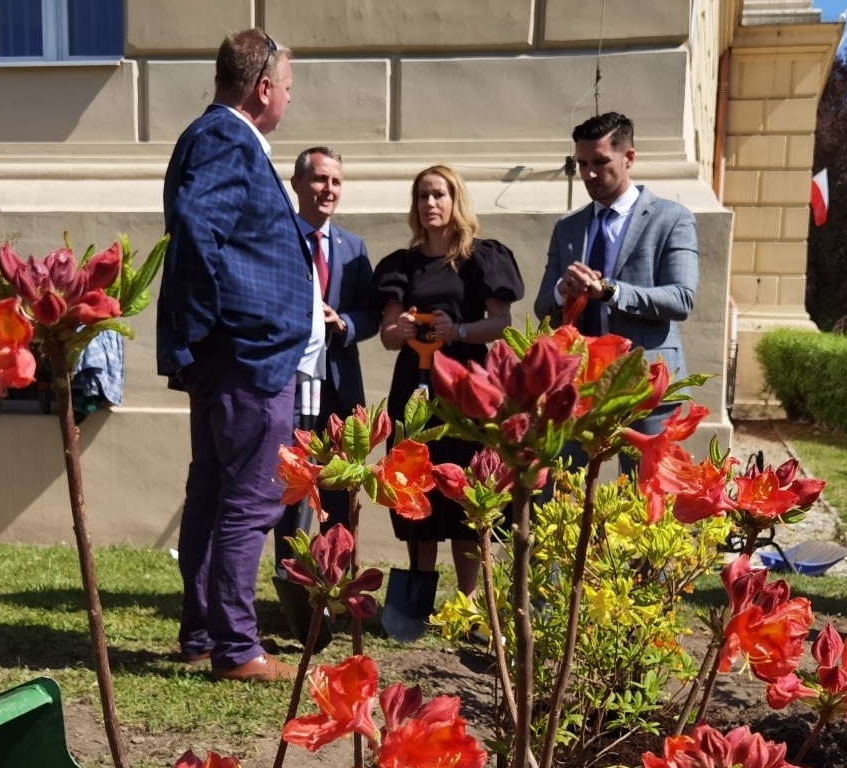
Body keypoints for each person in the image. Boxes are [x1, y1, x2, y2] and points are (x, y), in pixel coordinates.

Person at [160, 29, 322, 683]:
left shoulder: (216, 138)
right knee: (251, 499)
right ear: (263, 89)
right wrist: (217, 329)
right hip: (248, 357)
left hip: (237, 353)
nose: (287, 97)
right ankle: (235, 648)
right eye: (286, 86)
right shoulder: (228, 138)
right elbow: (200, 233)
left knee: (215, 493)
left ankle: (204, 635)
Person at [374, 166, 522, 638]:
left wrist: (454, 330)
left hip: (466, 388)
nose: (430, 203)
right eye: (422, 195)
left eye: (439, 194)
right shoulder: (402, 265)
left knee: (465, 491)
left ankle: (469, 604)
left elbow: (501, 325)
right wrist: (404, 329)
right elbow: (388, 337)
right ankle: (417, 601)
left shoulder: (482, 259)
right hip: (413, 388)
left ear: (456, 200)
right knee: (416, 489)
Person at [272, 146, 380, 638]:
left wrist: (347, 323)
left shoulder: (354, 248)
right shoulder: (276, 237)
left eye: (336, 181)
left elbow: (371, 313)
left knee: (338, 495)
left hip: (338, 387)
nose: (328, 189)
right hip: (290, 385)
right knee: (293, 494)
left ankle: (336, 595)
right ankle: (293, 593)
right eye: (318, 180)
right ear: (297, 185)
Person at [534, 111, 698, 431]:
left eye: (599, 162)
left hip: (645, 379)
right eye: (582, 164)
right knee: (571, 479)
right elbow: (542, 306)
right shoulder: (567, 227)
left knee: (641, 481)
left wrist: (610, 291)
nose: (589, 174)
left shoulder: (672, 218)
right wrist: (560, 289)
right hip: (580, 383)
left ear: (629, 158)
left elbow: (681, 299)